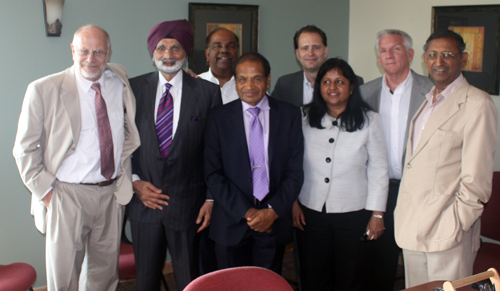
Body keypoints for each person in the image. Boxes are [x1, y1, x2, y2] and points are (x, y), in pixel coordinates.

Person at [13, 25, 140, 291]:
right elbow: (24, 149)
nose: (91, 59)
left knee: (104, 278)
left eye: (98, 52)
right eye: (84, 51)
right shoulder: (43, 89)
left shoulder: (119, 79)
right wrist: (48, 193)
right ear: (73, 50)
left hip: (111, 194)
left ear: (108, 53)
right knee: (64, 279)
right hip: (66, 195)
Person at [394, 30, 498, 287]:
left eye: (448, 55)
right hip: (412, 226)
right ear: (425, 59)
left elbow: (478, 178)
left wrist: (457, 223)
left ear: (462, 59)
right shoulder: (428, 101)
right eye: (433, 55)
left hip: (448, 231)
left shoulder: (477, 103)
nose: (439, 62)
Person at [125, 19, 222, 291]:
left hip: (188, 205)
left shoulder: (207, 92)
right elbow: (122, 143)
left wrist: (210, 197)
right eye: (161, 48)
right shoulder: (132, 89)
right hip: (145, 204)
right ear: (152, 52)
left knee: (189, 279)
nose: (168, 55)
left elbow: (214, 151)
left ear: (186, 52)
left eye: (176, 48)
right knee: (145, 281)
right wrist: (133, 181)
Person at [204, 52, 304, 274]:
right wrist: (247, 212)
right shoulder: (218, 118)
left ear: (268, 80)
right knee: (232, 285)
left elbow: (295, 172)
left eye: (257, 78)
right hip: (232, 221)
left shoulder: (289, 115)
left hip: (273, 221)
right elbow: (213, 173)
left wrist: (272, 212)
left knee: (266, 283)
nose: (249, 85)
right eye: (242, 79)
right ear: (235, 81)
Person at [294, 58, 388, 290]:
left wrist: (377, 214)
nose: (332, 87)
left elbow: (378, 168)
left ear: (352, 86)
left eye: (339, 81)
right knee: (314, 273)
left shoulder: (370, 120)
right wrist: (293, 202)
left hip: (354, 212)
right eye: (326, 82)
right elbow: (292, 163)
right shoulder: (303, 117)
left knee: (351, 275)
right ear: (319, 87)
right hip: (311, 211)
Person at [359, 29, 433, 291]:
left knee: (417, 257)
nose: (388, 55)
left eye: (396, 49)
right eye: (383, 50)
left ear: (411, 54)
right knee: (377, 259)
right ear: (378, 58)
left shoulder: (432, 90)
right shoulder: (363, 93)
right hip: (376, 189)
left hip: (417, 189)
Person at [272, 25, 363, 107]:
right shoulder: (284, 85)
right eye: (305, 48)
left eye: (316, 48)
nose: (311, 53)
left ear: (325, 51)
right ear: (297, 54)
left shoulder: (354, 82)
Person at [198, 28, 240, 104]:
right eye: (217, 46)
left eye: (230, 46)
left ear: (237, 52)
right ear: (207, 54)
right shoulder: (195, 84)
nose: (224, 50)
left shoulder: (249, 86)